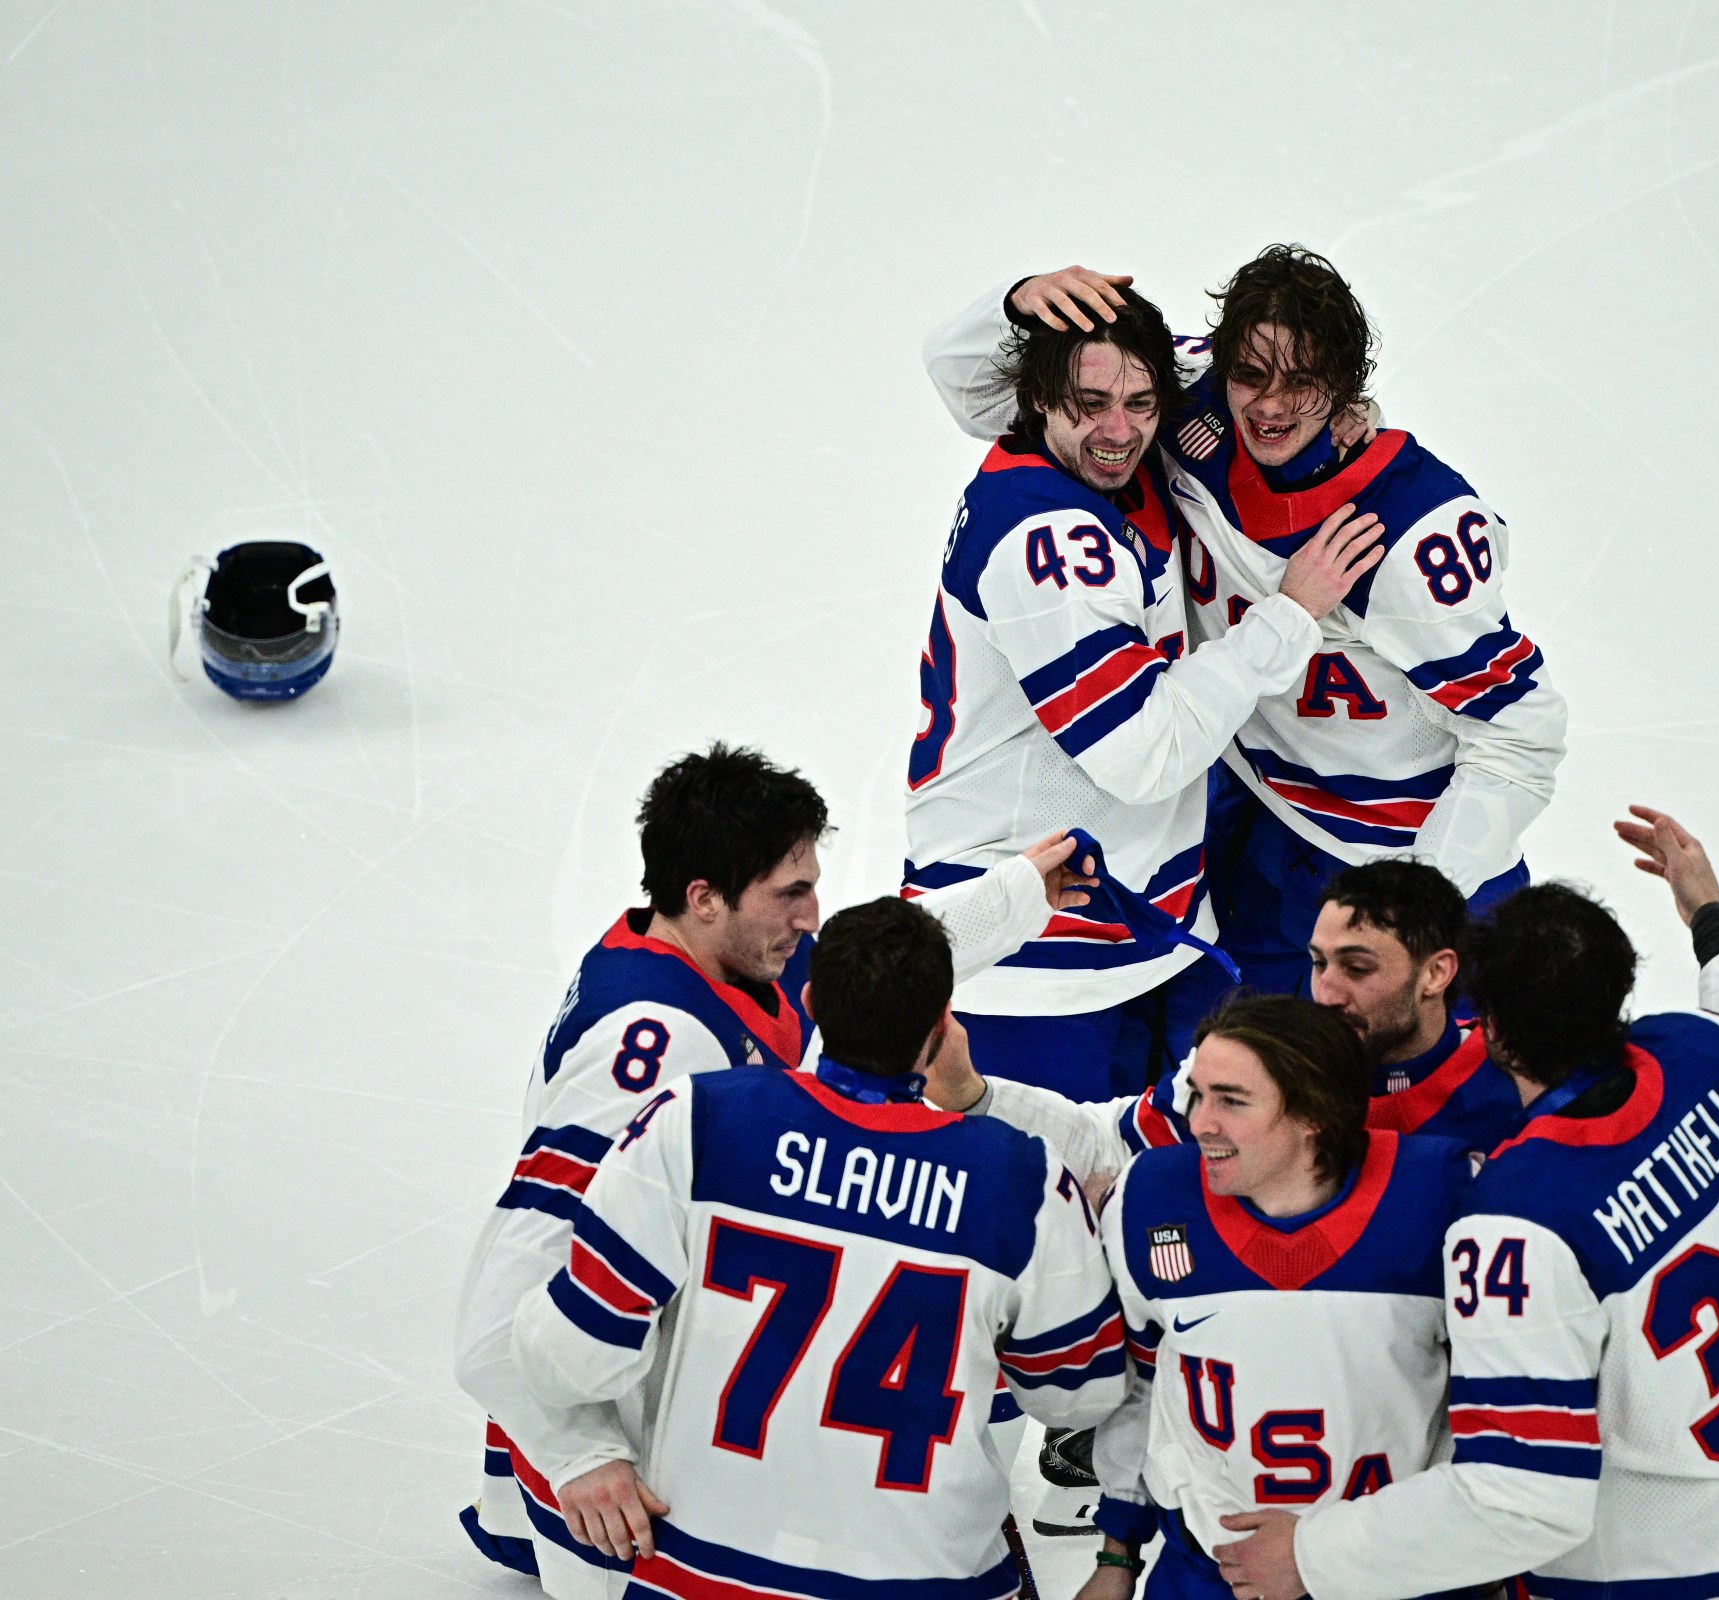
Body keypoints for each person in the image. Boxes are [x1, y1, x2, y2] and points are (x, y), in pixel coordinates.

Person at [453, 743, 1086, 1589]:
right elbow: (498, 1316)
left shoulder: (714, 959)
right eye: (790, 894)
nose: (812, 917)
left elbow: (859, 981)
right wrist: (583, 1456)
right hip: (624, 1495)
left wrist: (1010, 898)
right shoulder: (655, 1050)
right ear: (704, 897)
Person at [1212, 811, 1719, 1600]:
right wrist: (1711, 921)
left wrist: (1314, 1555)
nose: (1325, 990)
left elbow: (1524, 1497)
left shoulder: (1515, 1221)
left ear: (1485, 1022)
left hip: (1657, 1575)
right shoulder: (1712, 1055)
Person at [924, 247, 1568, 996]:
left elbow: (1523, 737)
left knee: (1441, 1102)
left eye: (1304, 383)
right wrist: (1016, 301)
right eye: (1252, 376)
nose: (1269, 405)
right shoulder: (1174, 403)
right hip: (1258, 827)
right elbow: (981, 398)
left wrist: (1421, 900)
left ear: (1346, 384)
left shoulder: (1410, 536)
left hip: (1398, 854)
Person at [510, 897, 1130, 1599]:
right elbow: (1081, 1394)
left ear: (809, 1001)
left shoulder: (697, 1120)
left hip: (700, 1573)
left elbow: (568, 1356)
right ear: (942, 1028)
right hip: (925, 1578)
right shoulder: (1022, 1179)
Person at [906, 281, 1388, 1104]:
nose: (1120, 430)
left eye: (1139, 401)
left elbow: (1247, 379)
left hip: (1151, 934)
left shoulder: (1122, 434)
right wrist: (1289, 616)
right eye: (1090, 403)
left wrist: (1335, 408)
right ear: (1035, 401)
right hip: (1033, 970)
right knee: (1054, 1215)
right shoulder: (1046, 545)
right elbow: (1144, 754)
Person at [1076, 994, 1476, 1600]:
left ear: (1315, 1113)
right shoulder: (1150, 1199)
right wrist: (1118, 1552)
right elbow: (1142, 1380)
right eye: (1198, 1095)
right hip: (1207, 1575)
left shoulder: (1442, 1196)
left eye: (1231, 1101)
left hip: (1398, 1575)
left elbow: (1501, 1398)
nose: (1199, 1123)